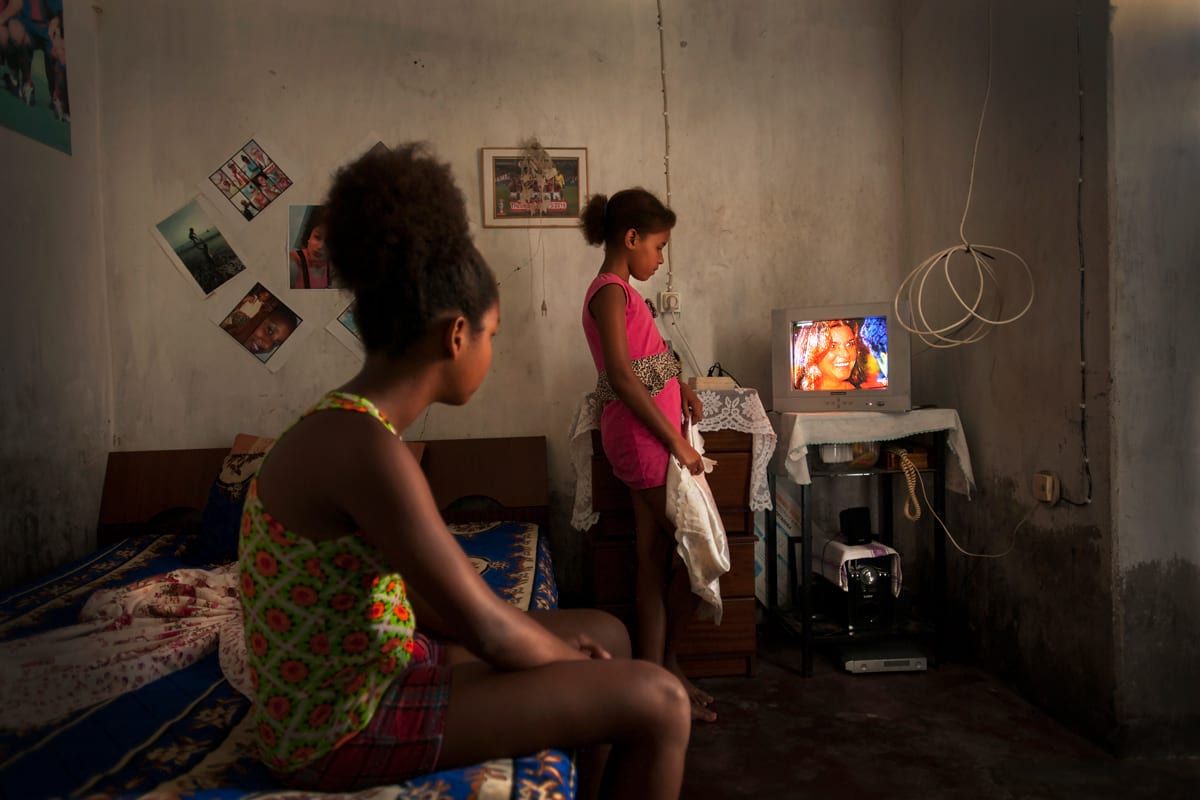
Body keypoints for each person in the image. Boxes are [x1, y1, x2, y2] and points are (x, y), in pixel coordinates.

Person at [239, 143, 690, 797]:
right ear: (456, 336)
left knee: (610, 632)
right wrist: (561, 663)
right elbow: (484, 626)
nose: (491, 349)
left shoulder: (351, 427)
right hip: (341, 727)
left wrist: (565, 656)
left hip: (380, 667)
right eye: (493, 334)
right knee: (661, 699)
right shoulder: (369, 452)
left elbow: (428, 601)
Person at [578, 188, 716, 722]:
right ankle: (667, 670)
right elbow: (621, 373)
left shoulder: (626, 293)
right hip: (641, 439)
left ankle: (657, 675)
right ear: (630, 239)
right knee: (693, 553)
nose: (660, 259)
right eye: (658, 247)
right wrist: (675, 440)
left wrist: (679, 384)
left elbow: (649, 354)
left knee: (656, 557)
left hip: (648, 433)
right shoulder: (609, 291)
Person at [791, 318, 864, 391]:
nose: (845, 354)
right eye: (832, 346)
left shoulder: (862, 395)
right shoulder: (796, 398)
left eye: (850, 344)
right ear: (813, 351)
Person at [289, 206, 337, 289]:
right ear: (309, 236)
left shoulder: (331, 268)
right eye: (317, 237)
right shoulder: (292, 264)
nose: (320, 246)